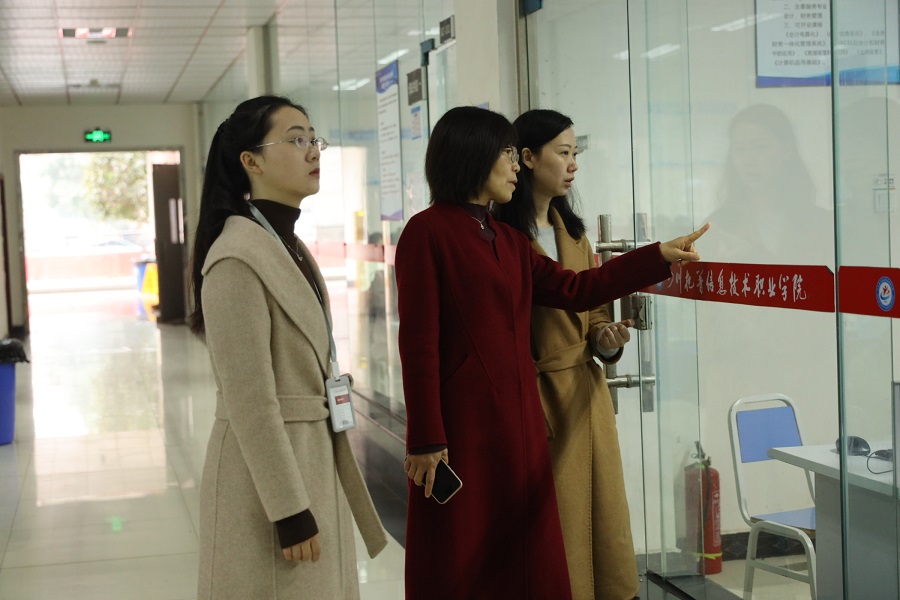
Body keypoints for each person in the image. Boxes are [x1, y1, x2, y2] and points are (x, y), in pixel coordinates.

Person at [395, 105, 709, 599]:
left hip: (521, 423)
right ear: (474, 155)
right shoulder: (427, 231)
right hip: (464, 428)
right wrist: (426, 437)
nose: (514, 166)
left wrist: (656, 257)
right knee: (466, 554)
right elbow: (418, 344)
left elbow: (579, 289)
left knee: (528, 557)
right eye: (506, 154)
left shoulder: (508, 240)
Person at [188, 95, 387, 599]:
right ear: (250, 162)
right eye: (296, 140)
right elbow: (250, 400)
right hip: (267, 483)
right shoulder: (235, 259)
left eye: (314, 139)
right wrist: (289, 509)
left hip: (312, 456)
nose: (313, 150)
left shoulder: (288, 247)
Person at [494, 108, 639, 599]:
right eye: (563, 152)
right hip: (537, 401)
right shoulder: (503, 238)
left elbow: (594, 313)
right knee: (554, 529)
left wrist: (606, 340)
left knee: (603, 521)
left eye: (576, 153)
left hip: (585, 396)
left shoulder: (574, 234)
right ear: (528, 157)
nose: (573, 164)